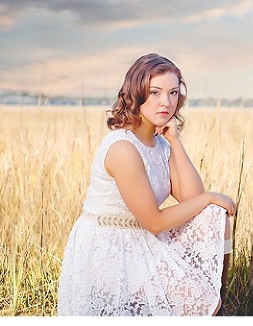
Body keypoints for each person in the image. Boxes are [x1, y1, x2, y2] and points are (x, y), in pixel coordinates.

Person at [57, 53, 237, 316]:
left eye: (173, 93)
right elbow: (155, 221)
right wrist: (209, 197)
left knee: (214, 217)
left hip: (142, 238)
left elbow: (192, 198)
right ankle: (215, 307)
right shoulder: (123, 148)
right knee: (198, 302)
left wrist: (175, 141)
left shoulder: (161, 143)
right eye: (155, 92)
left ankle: (220, 301)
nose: (166, 102)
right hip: (110, 246)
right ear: (137, 93)